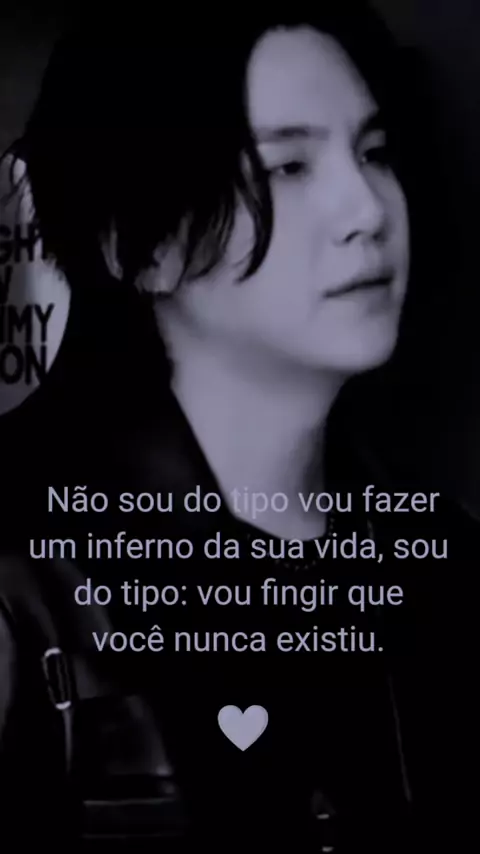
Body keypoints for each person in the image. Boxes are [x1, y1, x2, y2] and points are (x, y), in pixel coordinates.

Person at [0, 4, 475, 850]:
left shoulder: (443, 562)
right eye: (287, 166)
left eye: (374, 153)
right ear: (136, 243)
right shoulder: (23, 578)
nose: (367, 208)